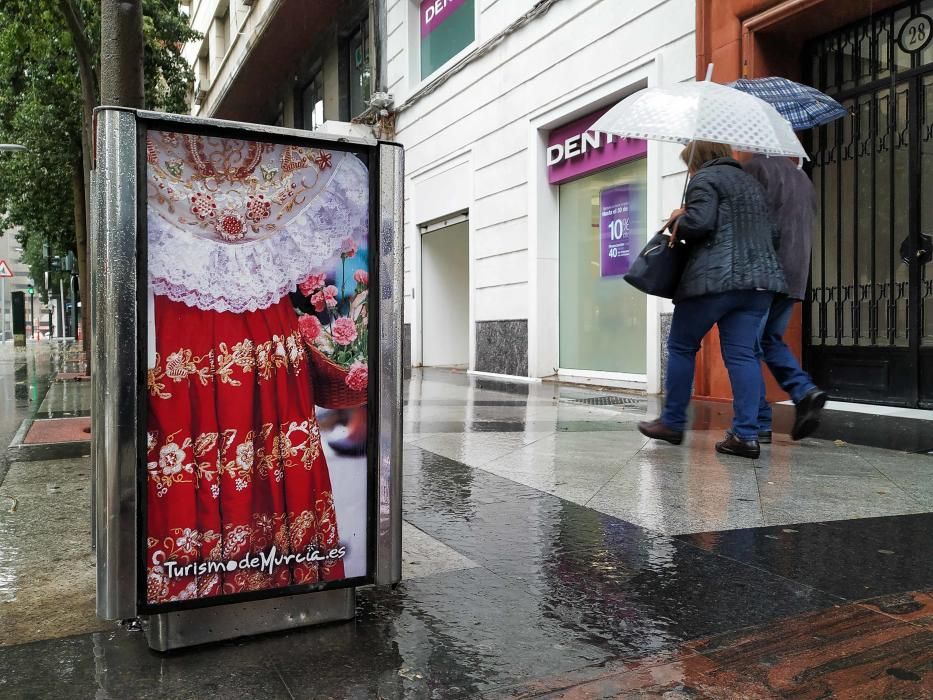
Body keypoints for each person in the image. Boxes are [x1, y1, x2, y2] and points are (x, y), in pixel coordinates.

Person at [638, 141, 787, 459]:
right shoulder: (753, 183)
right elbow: (774, 234)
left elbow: (700, 223)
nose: (688, 171)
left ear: (697, 162)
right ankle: (746, 436)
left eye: (688, 165)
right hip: (760, 283)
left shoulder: (704, 179)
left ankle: (673, 423)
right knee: (743, 355)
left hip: (714, 280)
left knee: (681, 346)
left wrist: (681, 217)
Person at [742, 154, 828, 442]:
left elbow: (746, 218)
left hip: (764, 270)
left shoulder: (755, 168)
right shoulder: (801, 177)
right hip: (794, 272)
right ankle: (804, 391)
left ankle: (756, 424)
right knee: (769, 340)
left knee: (747, 346)